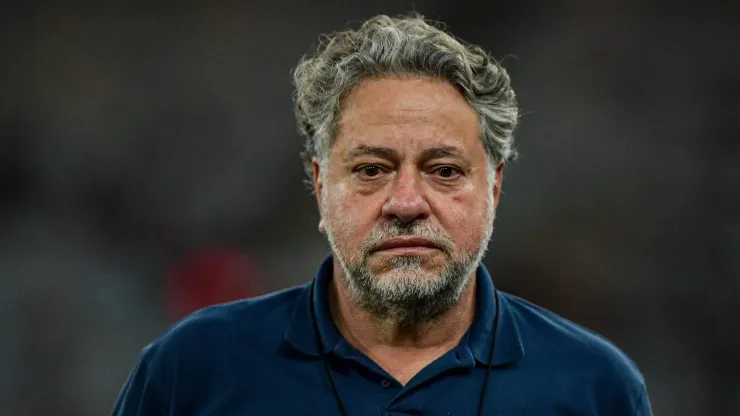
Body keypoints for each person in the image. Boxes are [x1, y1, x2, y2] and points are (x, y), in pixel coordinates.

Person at [112, 13, 652, 415]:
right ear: (322, 186)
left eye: (443, 170)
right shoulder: (192, 369)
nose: (407, 203)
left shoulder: (595, 386)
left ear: (495, 189)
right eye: (372, 169)